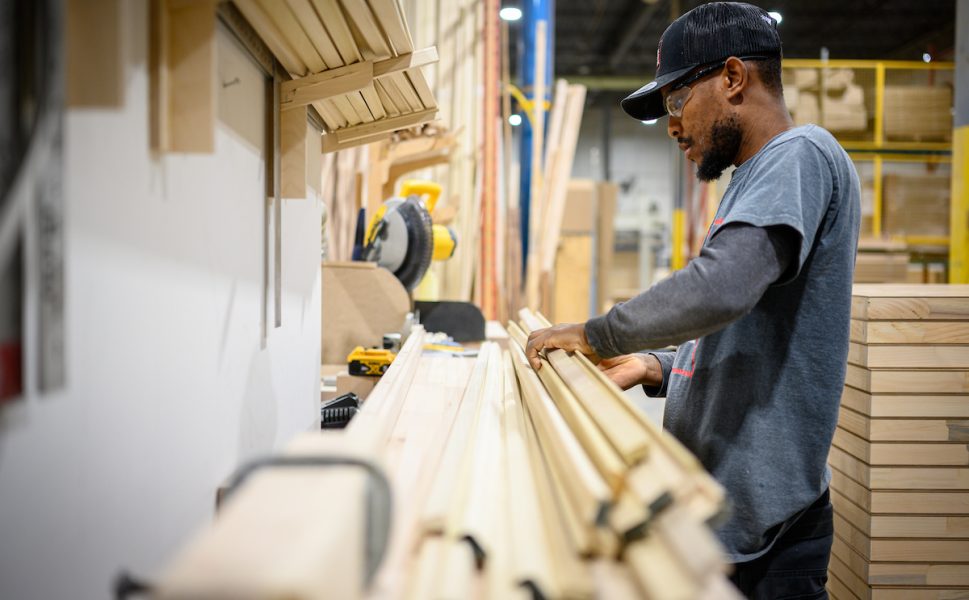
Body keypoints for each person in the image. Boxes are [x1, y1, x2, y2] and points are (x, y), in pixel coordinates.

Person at [525, 3, 860, 598]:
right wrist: (656, 366)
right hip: (727, 523)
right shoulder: (755, 176)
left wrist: (597, 333)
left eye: (677, 102)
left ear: (733, 78)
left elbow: (722, 288)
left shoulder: (799, 155)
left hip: (768, 542)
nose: (672, 126)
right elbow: (746, 327)